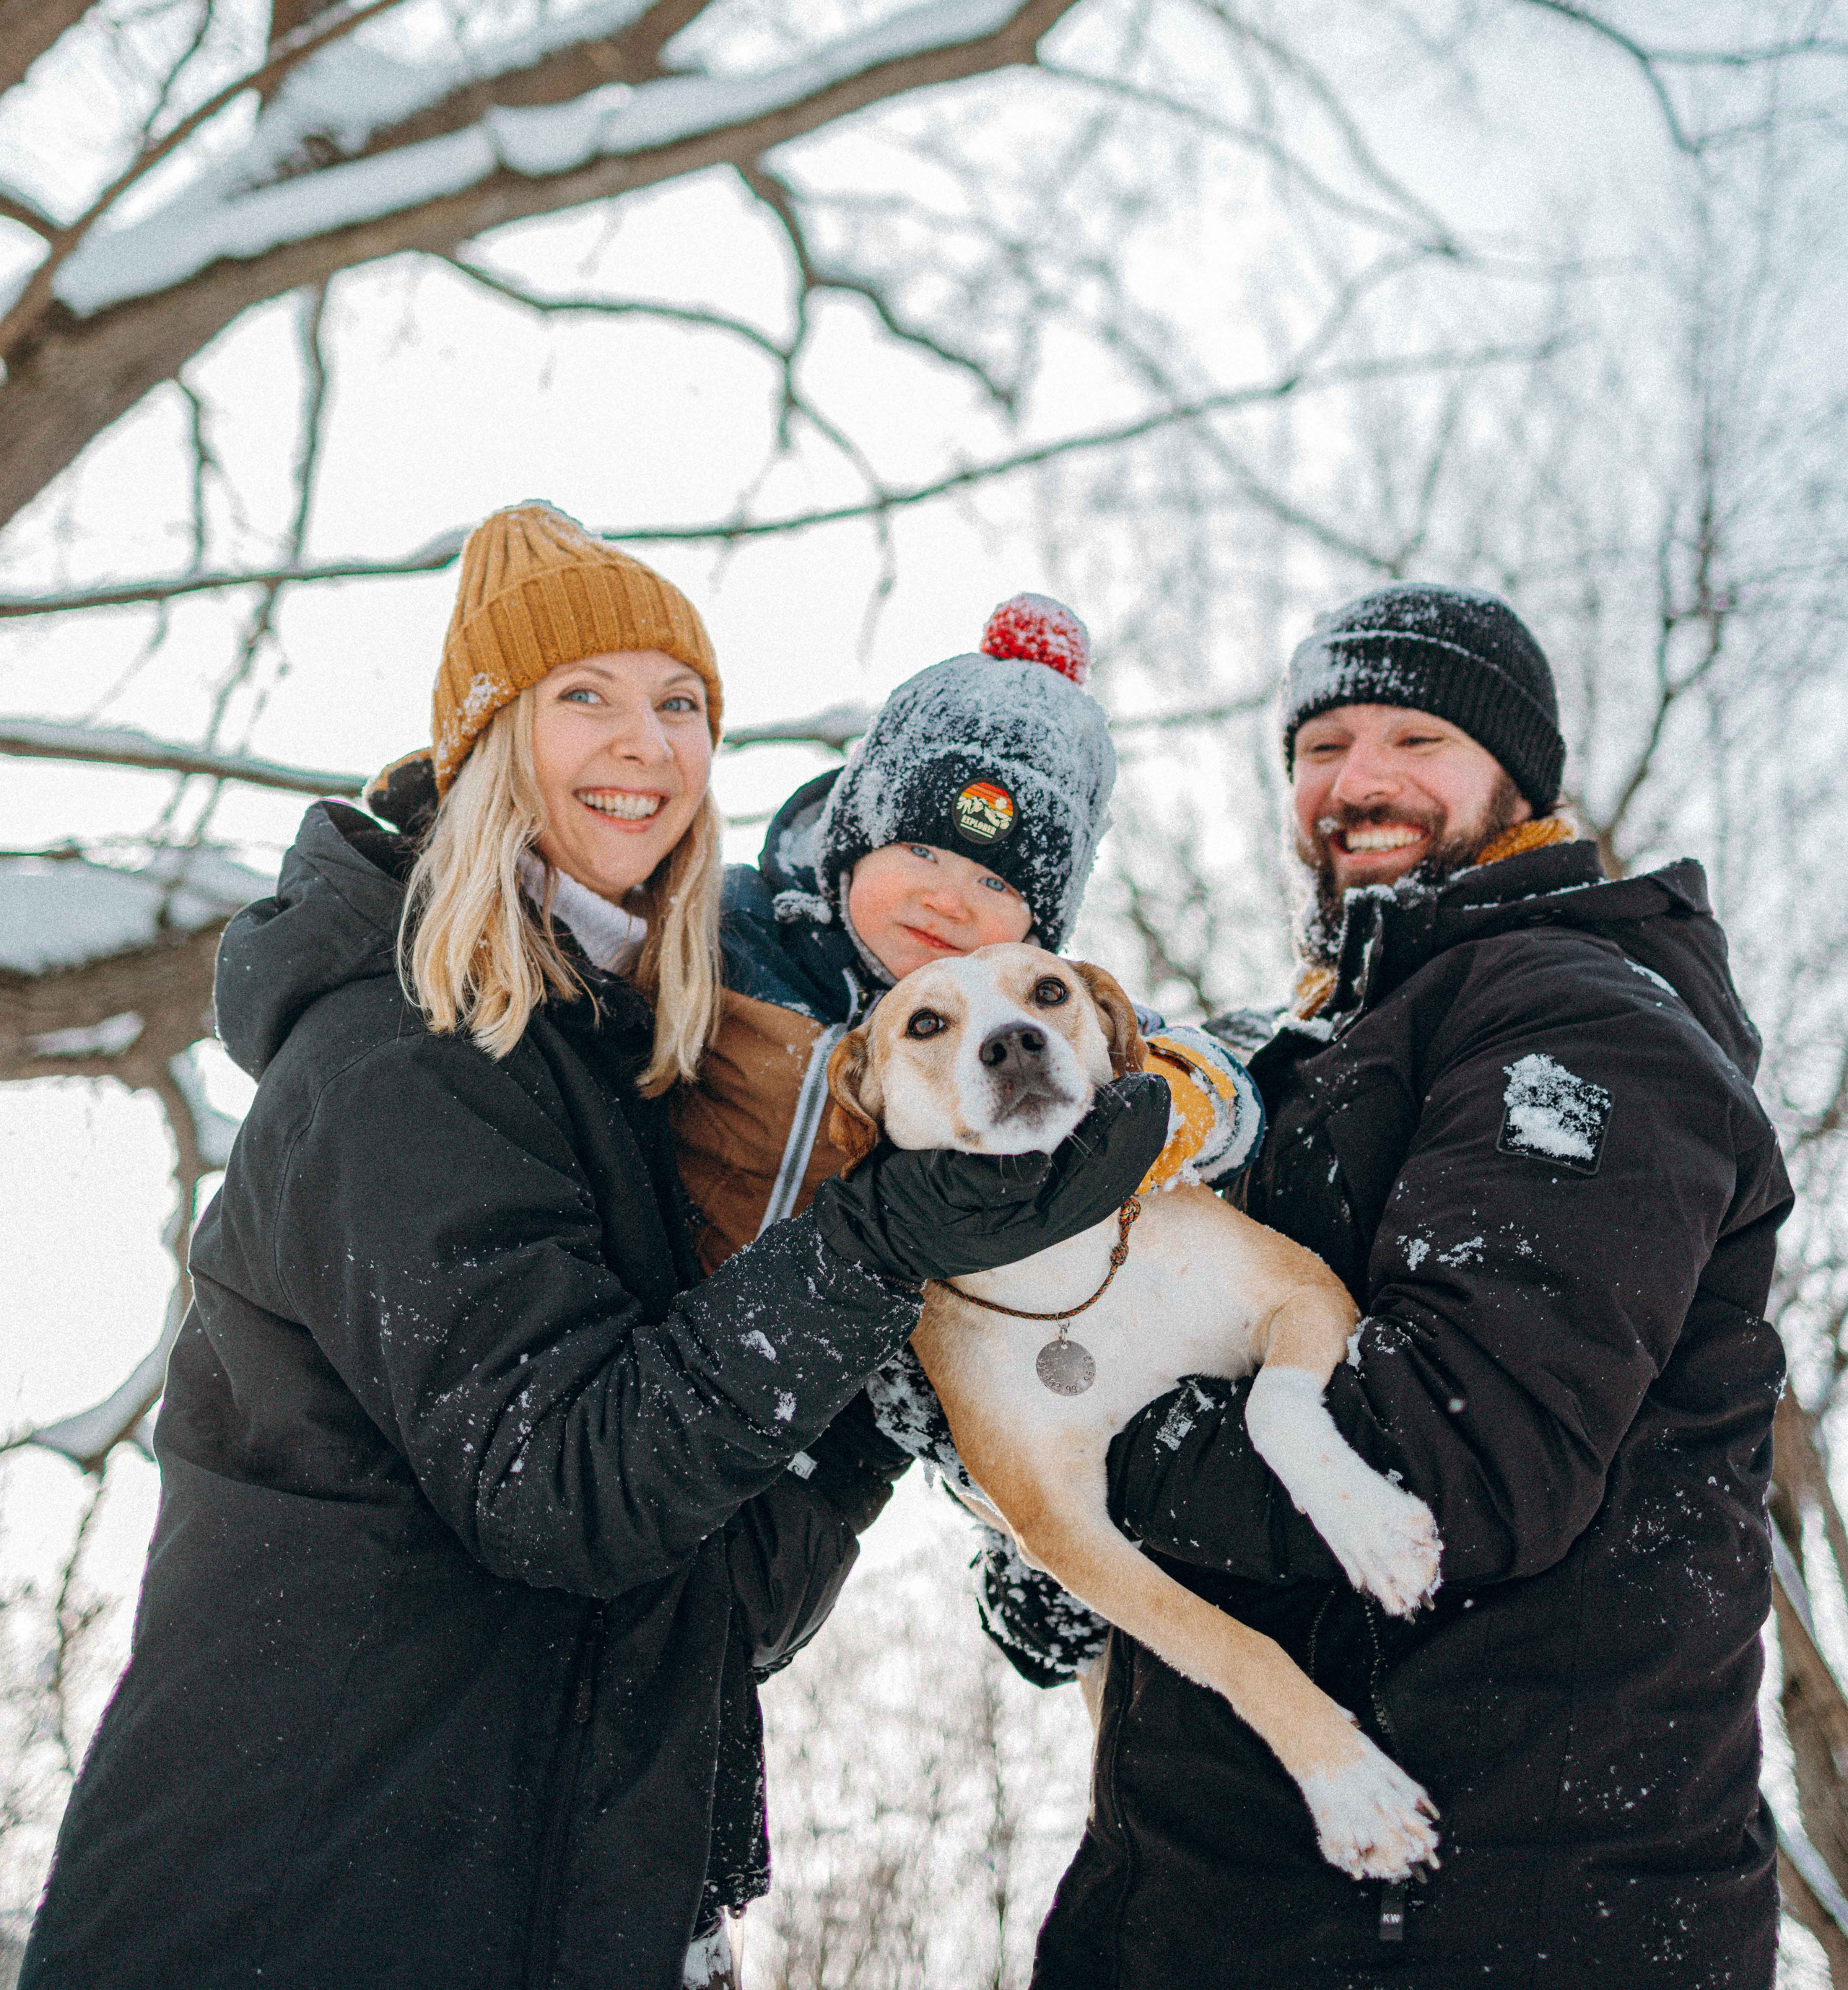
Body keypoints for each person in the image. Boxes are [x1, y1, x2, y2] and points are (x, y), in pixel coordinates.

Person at [20, 505, 1166, 1990]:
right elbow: (563, 1486)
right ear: (490, 739)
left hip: (559, 1890)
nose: (644, 742)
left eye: (678, 703)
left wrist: (892, 1383)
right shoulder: (398, 1054)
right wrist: (882, 1242)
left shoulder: (623, 1069)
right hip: (294, 1891)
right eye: (586, 696)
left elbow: (709, 1603)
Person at [1034, 582, 1791, 1990]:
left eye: (1413, 738)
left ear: (1513, 780)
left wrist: (1064, 1456)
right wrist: (1079, 1569)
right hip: (1242, 1903)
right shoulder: (1326, 1051)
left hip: (1485, 1915)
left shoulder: (1576, 1019)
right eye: (1319, 745)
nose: (1356, 780)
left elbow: (1447, 1460)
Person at [669, 593, 1262, 1674]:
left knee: (699, 1680)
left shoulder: (1024, 1022)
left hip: (815, 1463)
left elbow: (1217, 1072)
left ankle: (1041, 1550)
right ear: (854, 832)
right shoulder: (722, 935)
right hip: (652, 1365)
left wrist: (1176, 1104)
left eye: (997, 882)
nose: (949, 900)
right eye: (922, 852)